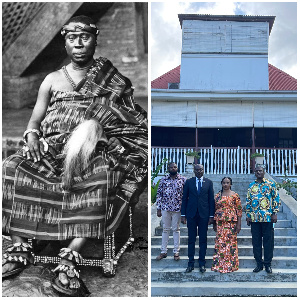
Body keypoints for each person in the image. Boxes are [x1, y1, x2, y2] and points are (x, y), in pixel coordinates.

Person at [2, 15, 148, 296]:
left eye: (85, 38)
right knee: (10, 165)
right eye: (72, 38)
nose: (79, 44)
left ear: (95, 38)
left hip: (89, 152)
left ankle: (71, 254)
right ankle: (19, 245)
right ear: (65, 42)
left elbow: (130, 121)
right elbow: (34, 121)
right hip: (50, 150)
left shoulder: (113, 80)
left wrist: (100, 137)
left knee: (101, 174)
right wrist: (32, 135)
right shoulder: (51, 80)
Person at [246, 166, 281, 274]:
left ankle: (267, 264)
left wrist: (275, 213)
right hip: (255, 219)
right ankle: (259, 264)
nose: (258, 172)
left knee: (268, 242)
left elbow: (276, 198)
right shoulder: (251, 186)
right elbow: (248, 201)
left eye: (260, 171)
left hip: (267, 218)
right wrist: (248, 215)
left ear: (264, 172)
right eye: (256, 171)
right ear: (254, 173)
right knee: (256, 242)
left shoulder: (271, 184)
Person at [181, 164, 215, 273]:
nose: (199, 171)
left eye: (201, 169)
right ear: (194, 171)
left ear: (203, 170)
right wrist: (183, 215)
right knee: (191, 239)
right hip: (191, 214)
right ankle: (190, 263)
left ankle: (202, 263)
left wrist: (211, 216)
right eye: (197, 170)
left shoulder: (208, 182)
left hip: (204, 215)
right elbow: (184, 198)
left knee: (203, 240)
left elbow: (211, 200)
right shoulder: (189, 182)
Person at [155, 162, 186, 261]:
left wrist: (184, 211)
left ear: (177, 168)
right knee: (165, 229)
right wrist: (158, 208)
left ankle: (176, 251)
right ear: (168, 168)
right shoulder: (163, 179)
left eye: (175, 167)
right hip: (165, 208)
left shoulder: (183, 180)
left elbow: (186, 196)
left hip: (177, 209)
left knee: (176, 230)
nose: (173, 168)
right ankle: (163, 251)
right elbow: (159, 194)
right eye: (171, 167)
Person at [211, 177, 242, 273]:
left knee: (230, 245)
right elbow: (214, 209)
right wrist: (214, 223)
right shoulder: (217, 196)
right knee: (220, 244)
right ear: (221, 184)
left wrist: (239, 224)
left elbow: (239, 210)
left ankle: (231, 265)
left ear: (230, 184)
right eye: (224, 183)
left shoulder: (235, 195)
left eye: (227, 183)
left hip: (231, 224)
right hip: (220, 223)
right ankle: (220, 265)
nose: (225, 184)